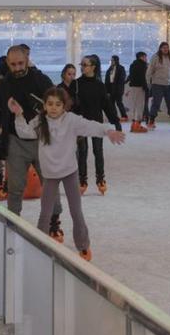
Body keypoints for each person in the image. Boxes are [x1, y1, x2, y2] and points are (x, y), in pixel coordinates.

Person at [10, 88, 125, 262]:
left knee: (76, 211)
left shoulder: (71, 120)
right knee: (45, 212)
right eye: (50, 104)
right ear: (45, 105)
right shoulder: (40, 121)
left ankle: (83, 245)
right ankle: (40, 243)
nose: (53, 108)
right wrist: (18, 115)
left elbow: (90, 125)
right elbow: (24, 132)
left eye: (58, 104)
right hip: (50, 174)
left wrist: (108, 130)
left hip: (69, 171)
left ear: (64, 106)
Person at [0, 46, 62, 235]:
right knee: (15, 186)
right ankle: (13, 222)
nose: (17, 68)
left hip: (42, 141)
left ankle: (54, 223)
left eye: (20, 63)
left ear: (27, 59)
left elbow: (58, 106)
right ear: (7, 63)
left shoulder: (41, 80)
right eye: (13, 64)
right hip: (16, 141)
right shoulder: (4, 84)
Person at [71, 55, 122, 194]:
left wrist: (116, 121)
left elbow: (106, 105)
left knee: (98, 152)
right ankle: (82, 180)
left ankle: (100, 179)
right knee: (82, 152)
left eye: (85, 65)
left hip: (96, 124)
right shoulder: (76, 84)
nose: (82, 67)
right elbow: (69, 105)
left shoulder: (99, 85)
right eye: (81, 64)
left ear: (93, 67)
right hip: (81, 124)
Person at [145, 42, 170, 130]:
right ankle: (151, 121)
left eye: (167, 48)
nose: (165, 49)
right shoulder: (155, 57)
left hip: (169, 84)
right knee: (156, 103)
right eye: (164, 48)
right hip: (157, 84)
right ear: (160, 48)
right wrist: (148, 82)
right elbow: (149, 70)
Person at [126, 52, 150, 133]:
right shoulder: (143, 65)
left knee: (134, 105)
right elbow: (143, 78)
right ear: (142, 57)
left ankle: (133, 124)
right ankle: (137, 124)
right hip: (140, 87)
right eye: (145, 57)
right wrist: (146, 88)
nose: (146, 59)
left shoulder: (132, 65)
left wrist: (125, 81)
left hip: (133, 87)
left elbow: (130, 76)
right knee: (140, 105)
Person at [104, 55, 128, 122]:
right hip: (110, 88)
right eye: (111, 60)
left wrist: (119, 88)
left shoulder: (121, 68)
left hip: (118, 88)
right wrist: (107, 90)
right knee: (111, 103)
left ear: (116, 60)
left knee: (119, 103)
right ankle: (115, 116)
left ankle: (124, 116)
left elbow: (122, 79)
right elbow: (107, 80)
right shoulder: (109, 69)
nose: (111, 61)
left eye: (113, 60)